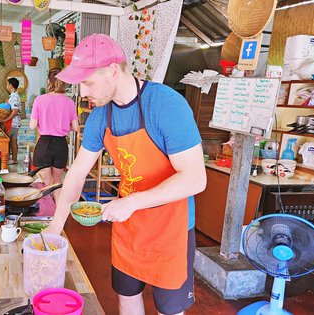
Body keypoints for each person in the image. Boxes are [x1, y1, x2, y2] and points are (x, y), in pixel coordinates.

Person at [44, 34, 207, 315]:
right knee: (127, 297)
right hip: (129, 225)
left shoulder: (167, 105)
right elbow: (77, 172)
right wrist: (57, 225)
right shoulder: (100, 116)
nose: (82, 93)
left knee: (169, 310)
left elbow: (194, 178)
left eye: (87, 82)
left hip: (171, 228)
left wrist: (132, 202)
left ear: (112, 71)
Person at [29, 68, 78, 202]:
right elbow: (75, 127)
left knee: (47, 182)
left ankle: (51, 214)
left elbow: (32, 125)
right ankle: (59, 213)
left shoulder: (39, 100)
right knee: (57, 181)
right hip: (61, 145)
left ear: (48, 81)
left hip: (44, 144)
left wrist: (45, 121)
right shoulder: (70, 102)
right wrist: (61, 125)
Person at [4, 78, 21, 164]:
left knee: (13, 141)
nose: (7, 86)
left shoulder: (15, 97)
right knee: (11, 140)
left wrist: (6, 119)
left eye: (7, 84)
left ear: (10, 85)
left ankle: (14, 159)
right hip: (11, 122)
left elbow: (15, 111)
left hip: (13, 122)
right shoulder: (12, 96)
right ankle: (11, 158)